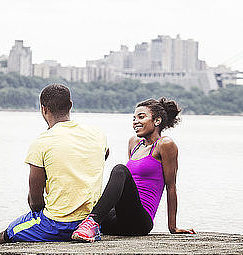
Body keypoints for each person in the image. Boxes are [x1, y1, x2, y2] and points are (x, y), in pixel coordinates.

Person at [0, 83, 108, 244]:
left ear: (44, 109)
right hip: (90, 223)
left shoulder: (41, 142)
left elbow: (35, 201)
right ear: (71, 105)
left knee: (4, 236)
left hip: (57, 224)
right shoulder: (98, 134)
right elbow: (104, 155)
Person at [71, 97, 194, 242]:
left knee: (120, 169)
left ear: (157, 121)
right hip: (117, 220)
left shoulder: (165, 144)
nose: (135, 121)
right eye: (134, 118)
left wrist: (172, 227)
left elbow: (171, 186)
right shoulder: (134, 143)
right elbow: (125, 187)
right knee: (86, 199)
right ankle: (80, 224)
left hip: (138, 223)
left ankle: (91, 223)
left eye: (141, 117)